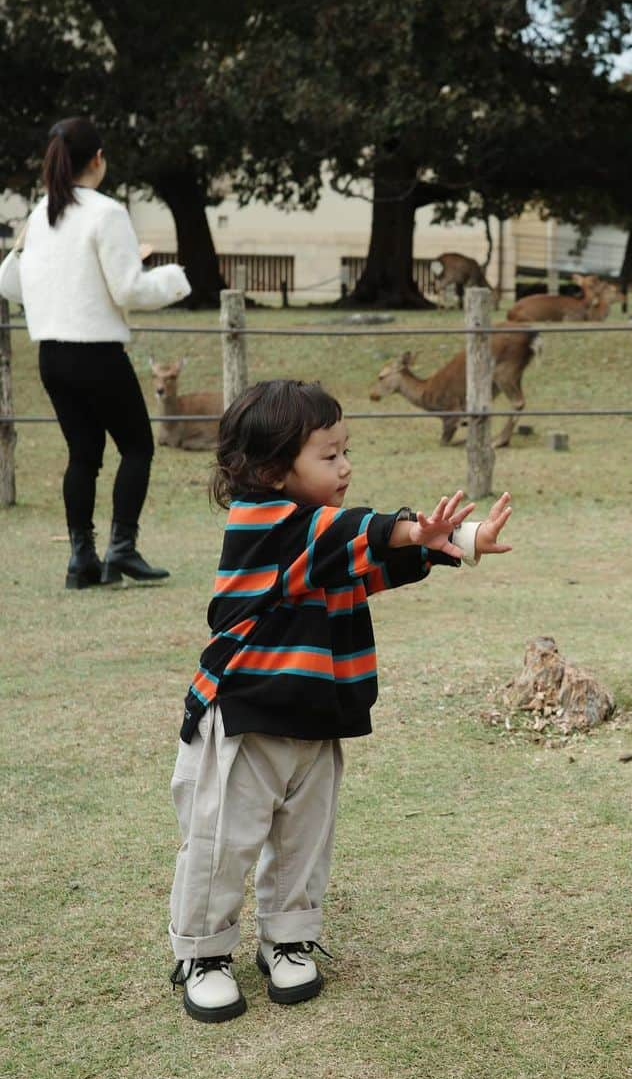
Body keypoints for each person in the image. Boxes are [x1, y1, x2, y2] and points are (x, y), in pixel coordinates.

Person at [168, 378, 514, 1022]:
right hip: (247, 716)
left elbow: (367, 560)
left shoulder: (324, 539)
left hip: (316, 720)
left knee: (305, 839)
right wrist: (412, 529)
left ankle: (289, 938)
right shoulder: (262, 522)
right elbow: (347, 535)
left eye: (345, 450)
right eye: (329, 456)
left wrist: (455, 543)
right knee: (222, 841)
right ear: (272, 469)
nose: (346, 466)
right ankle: (203, 952)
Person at [0, 117, 190, 588]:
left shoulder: (41, 216)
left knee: (83, 454)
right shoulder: (107, 213)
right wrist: (173, 277)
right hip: (97, 353)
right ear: (98, 159)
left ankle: (80, 558)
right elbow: (129, 289)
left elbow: (9, 282)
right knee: (138, 446)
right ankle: (122, 547)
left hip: (51, 356)